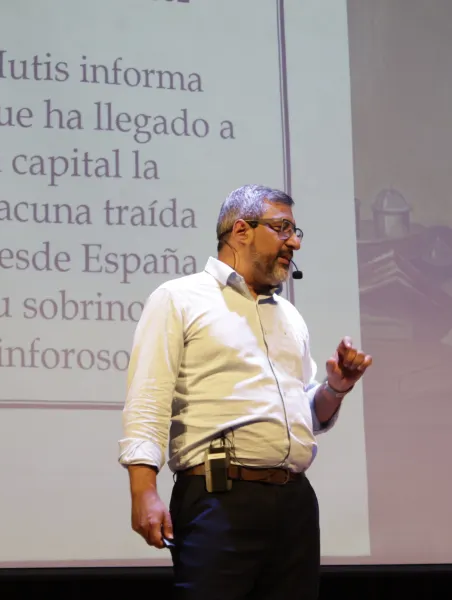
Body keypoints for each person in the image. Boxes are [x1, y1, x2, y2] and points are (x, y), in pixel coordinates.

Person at [118, 184, 372, 599]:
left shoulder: (288, 315)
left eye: (295, 231)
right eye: (282, 228)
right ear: (241, 230)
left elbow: (306, 414)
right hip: (219, 499)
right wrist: (143, 490)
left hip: (294, 503)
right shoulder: (178, 299)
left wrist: (336, 388)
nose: (295, 242)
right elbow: (148, 400)